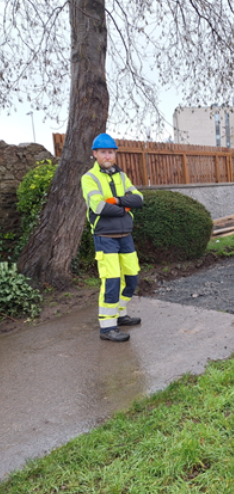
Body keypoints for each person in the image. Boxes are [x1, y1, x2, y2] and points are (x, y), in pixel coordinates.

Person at [81, 133, 144, 342]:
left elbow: (139, 199)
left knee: (132, 276)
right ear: (95, 154)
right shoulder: (89, 178)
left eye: (111, 152)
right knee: (112, 281)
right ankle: (107, 328)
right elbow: (99, 206)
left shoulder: (122, 176)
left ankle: (120, 314)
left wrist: (116, 201)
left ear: (115, 154)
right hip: (105, 237)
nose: (107, 155)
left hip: (126, 235)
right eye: (103, 152)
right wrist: (124, 207)